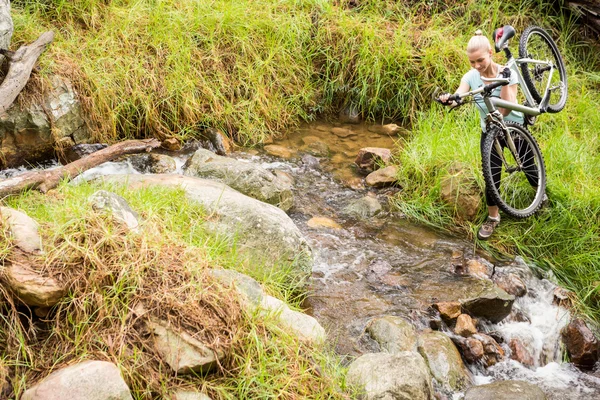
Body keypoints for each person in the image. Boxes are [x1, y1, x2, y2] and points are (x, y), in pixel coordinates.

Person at [440, 30, 526, 240]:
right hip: (490, 132)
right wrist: (450, 99)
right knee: (491, 175)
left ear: (490, 53)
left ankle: (540, 196)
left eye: (480, 60)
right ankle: (493, 218)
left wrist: (504, 81)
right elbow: (460, 94)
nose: (476, 66)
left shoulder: (508, 72)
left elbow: (506, 109)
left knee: (529, 165)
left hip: (513, 127)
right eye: (472, 62)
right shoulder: (470, 77)